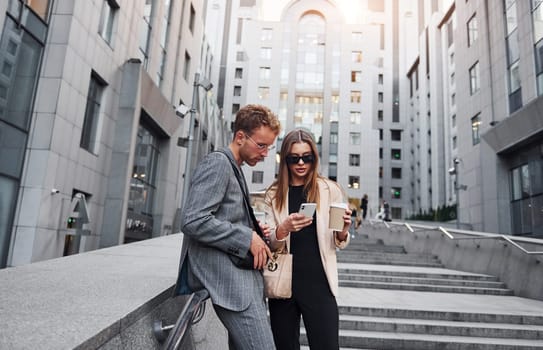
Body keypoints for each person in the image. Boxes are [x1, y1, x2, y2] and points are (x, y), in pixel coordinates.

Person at [173, 104, 281, 349]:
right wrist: (247, 238)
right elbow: (193, 220)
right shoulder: (218, 163)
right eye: (261, 145)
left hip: (241, 284)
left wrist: (254, 232)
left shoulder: (235, 167)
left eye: (269, 147)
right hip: (232, 287)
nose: (265, 154)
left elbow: (224, 217)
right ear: (240, 136)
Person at [263, 128, 351, 350]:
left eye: (307, 157)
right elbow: (269, 242)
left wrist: (343, 231)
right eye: (294, 158)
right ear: (285, 161)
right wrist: (282, 229)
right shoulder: (273, 195)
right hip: (283, 284)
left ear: (314, 158)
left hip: (319, 282)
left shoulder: (330, 190)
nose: (301, 163)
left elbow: (337, 240)